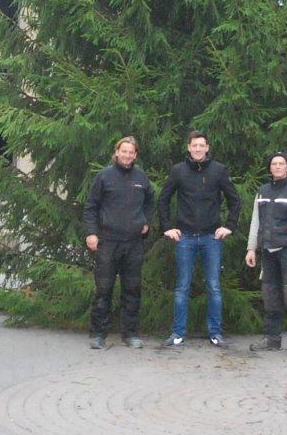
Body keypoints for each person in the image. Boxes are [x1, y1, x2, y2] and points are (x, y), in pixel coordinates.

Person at [158, 130, 241, 348]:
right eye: (194, 145)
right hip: (184, 238)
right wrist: (167, 227)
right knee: (182, 286)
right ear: (188, 147)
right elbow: (163, 200)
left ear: (207, 148)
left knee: (213, 286)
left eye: (201, 145)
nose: (197, 149)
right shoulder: (178, 171)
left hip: (211, 238)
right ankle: (177, 333)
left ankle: (215, 333)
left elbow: (235, 200)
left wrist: (229, 226)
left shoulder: (218, 171)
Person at [84, 136, 154, 350]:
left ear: (135, 155)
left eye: (131, 152)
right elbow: (91, 207)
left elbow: (151, 201)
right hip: (108, 242)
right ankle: (97, 333)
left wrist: (146, 221)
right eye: (124, 151)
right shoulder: (104, 176)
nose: (127, 155)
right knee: (103, 289)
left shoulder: (141, 177)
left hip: (133, 243)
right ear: (117, 152)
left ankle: (130, 334)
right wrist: (91, 233)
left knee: (132, 289)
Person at [246, 152, 287, 358]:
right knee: (270, 297)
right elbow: (255, 222)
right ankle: (272, 339)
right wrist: (251, 248)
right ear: (270, 168)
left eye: (281, 164)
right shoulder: (263, 191)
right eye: (274, 164)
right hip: (267, 251)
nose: (277, 167)